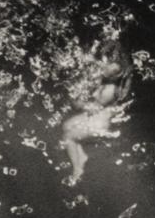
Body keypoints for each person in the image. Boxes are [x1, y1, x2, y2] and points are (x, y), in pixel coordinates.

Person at [58, 44, 135, 186]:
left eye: (109, 67)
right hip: (95, 118)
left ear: (116, 73)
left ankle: (77, 169)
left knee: (68, 137)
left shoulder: (110, 90)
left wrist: (81, 102)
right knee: (66, 125)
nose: (104, 67)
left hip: (99, 124)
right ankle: (82, 157)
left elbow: (88, 105)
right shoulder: (106, 84)